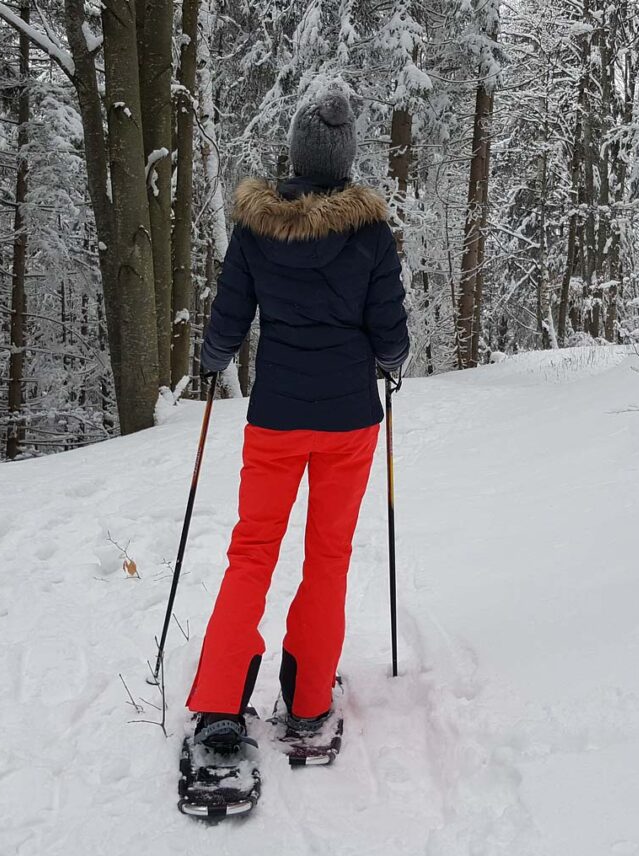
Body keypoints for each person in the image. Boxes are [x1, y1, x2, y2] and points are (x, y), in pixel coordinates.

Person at [187, 87, 410, 751]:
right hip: (348, 421)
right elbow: (391, 332)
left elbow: (229, 315)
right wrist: (390, 360)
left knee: (252, 552)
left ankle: (222, 702)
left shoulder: (257, 227)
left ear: (295, 153)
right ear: (345, 159)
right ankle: (310, 701)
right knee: (328, 556)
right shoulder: (369, 234)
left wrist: (210, 360)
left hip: (278, 416)